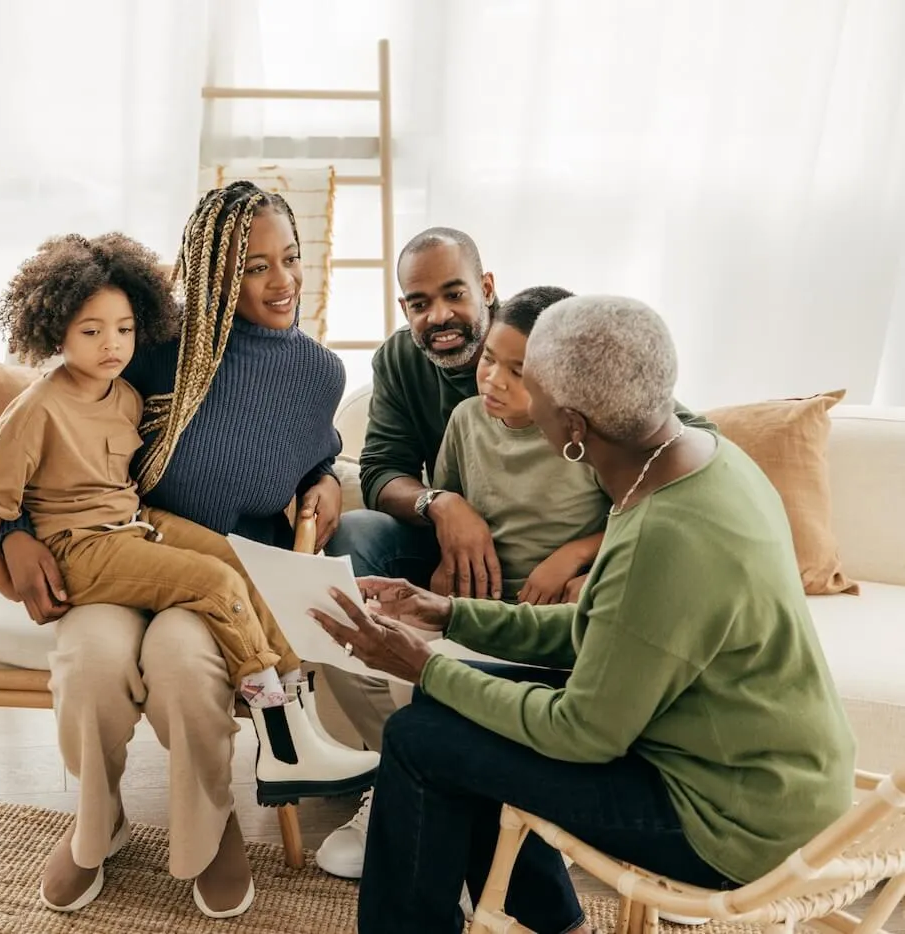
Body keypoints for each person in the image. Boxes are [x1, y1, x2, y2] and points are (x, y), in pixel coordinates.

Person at [307, 294, 856, 934]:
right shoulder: (701, 460)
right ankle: (556, 924)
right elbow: (610, 629)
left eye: (529, 382)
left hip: (732, 821)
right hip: (763, 770)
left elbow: (581, 733)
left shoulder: (665, 533)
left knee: (421, 738)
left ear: (572, 426)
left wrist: (423, 667)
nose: (516, 396)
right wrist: (451, 614)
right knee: (449, 718)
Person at [0, 182, 357, 919]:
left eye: (290, 259)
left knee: (185, 669)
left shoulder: (320, 373)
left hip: (222, 563)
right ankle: (98, 822)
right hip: (116, 555)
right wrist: (12, 533)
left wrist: (326, 481)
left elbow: (314, 452)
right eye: (255, 266)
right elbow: (57, 428)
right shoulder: (152, 347)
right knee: (89, 667)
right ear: (214, 270)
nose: (281, 281)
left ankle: (208, 827)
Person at [315, 228, 716, 879]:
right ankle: (400, 776)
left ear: (487, 291)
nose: (438, 315)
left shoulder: (571, 366)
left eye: (453, 294)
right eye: (418, 302)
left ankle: (470, 798)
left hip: (561, 588)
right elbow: (389, 467)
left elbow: (683, 451)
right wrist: (444, 511)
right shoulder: (454, 408)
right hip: (476, 571)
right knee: (353, 571)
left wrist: (586, 557)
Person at [431, 284, 609, 605]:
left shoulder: (591, 432)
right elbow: (449, 508)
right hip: (480, 602)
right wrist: (447, 560)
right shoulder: (465, 418)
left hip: (559, 603)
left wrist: (577, 555)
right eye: (488, 357)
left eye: (517, 371)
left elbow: (641, 519)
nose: (493, 380)